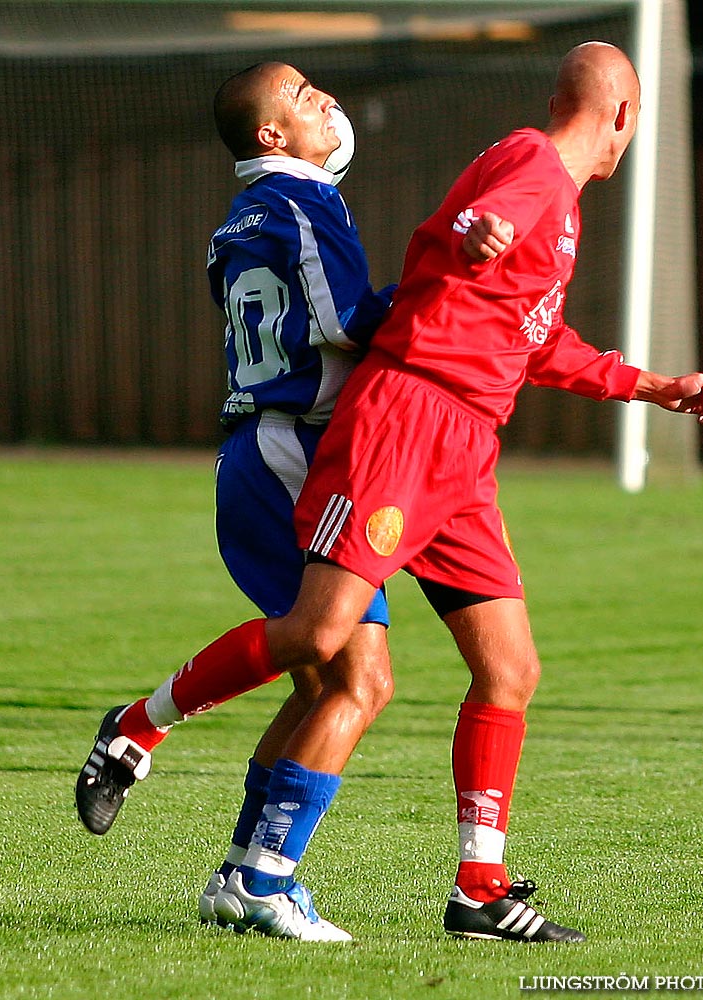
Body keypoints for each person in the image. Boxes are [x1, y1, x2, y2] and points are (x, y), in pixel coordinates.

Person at [76, 42, 703, 945]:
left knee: (509, 671)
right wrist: (482, 232)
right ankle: (150, 741)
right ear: (624, 116)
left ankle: (479, 890)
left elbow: (530, 339)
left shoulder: (563, 205)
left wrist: (656, 385)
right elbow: (468, 226)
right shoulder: (533, 165)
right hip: (408, 421)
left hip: (466, 446)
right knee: (323, 644)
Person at [75, 61, 502, 943]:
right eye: (305, 97)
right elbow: (349, 323)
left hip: (268, 451)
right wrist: (453, 280)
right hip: (294, 453)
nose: (328, 103)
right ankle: (166, 762)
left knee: (322, 684)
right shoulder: (299, 204)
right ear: (271, 135)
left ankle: (241, 874)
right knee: (354, 675)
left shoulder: (245, 215)